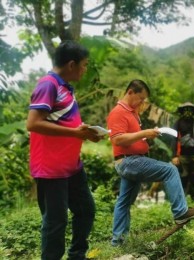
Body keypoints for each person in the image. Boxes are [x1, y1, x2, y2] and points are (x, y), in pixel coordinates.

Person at [26, 41, 101, 260]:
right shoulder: (48, 85)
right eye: (84, 65)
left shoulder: (65, 88)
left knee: (86, 210)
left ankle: (77, 255)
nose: (85, 69)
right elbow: (33, 123)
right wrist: (75, 134)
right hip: (51, 168)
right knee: (55, 222)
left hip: (71, 166)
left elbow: (65, 122)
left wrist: (86, 132)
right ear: (71, 64)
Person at [107, 80, 194, 246]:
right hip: (130, 161)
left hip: (130, 161)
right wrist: (144, 132)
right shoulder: (118, 112)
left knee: (124, 201)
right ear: (130, 92)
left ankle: (118, 241)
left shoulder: (132, 113)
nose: (143, 103)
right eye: (141, 98)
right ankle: (180, 212)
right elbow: (117, 139)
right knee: (170, 170)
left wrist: (146, 136)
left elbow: (131, 137)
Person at [171, 102, 194, 204]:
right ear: (182, 111)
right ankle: (182, 196)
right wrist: (174, 156)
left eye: (190, 110)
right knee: (183, 176)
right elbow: (174, 140)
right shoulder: (177, 123)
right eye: (185, 109)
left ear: (193, 112)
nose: (188, 112)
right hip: (182, 155)